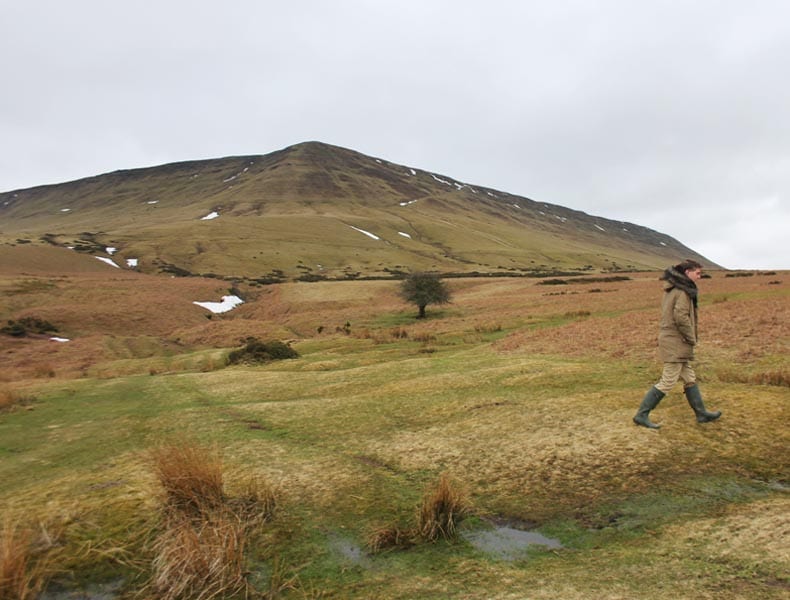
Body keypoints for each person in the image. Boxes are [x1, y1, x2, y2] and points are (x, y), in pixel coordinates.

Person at [633, 259, 722, 429]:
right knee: (668, 381)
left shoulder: (673, 289)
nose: (700, 276)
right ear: (687, 272)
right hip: (676, 341)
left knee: (689, 377)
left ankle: (701, 413)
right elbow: (681, 317)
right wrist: (691, 338)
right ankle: (641, 415)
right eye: (697, 273)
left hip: (674, 339)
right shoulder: (683, 291)